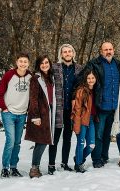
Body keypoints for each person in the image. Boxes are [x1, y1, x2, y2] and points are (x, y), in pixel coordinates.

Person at [84, 42, 120, 168]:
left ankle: (104, 156)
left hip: (113, 107)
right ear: (101, 51)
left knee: (107, 134)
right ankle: (96, 159)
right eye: (105, 49)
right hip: (100, 106)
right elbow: (83, 79)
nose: (108, 51)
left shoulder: (118, 64)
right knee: (98, 135)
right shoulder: (94, 64)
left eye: (110, 49)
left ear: (114, 50)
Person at [48, 44, 84, 174]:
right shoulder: (54, 68)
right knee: (55, 137)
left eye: (70, 51)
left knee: (68, 137)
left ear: (73, 53)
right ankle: (51, 165)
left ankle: (64, 163)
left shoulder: (80, 68)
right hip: (58, 108)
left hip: (72, 108)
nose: (67, 54)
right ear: (61, 54)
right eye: (65, 52)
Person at [0, 52, 32, 178]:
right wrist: (4, 108)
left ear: (28, 63)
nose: (23, 64)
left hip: (22, 114)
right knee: (10, 141)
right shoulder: (9, 75)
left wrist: (29, 109)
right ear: (17, 62)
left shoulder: (30, 76)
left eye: (25, 62)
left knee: (17, 142)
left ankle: (13, 167)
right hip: (9, 113)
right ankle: (5, 168)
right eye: (21, 61)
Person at [25, 55, 56, 178]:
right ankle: (34, 168)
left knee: (42, 141)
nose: (44, 65)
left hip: (49, 112)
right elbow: (33, 99)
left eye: (46, 62)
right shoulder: (35, 79)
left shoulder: (50, 77)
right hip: (40, 114)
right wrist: (36, 116)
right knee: (42, 141)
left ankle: (35, 167)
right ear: (38, 65)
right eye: (42, 63)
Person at [71, 69, 97, 173]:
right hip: (81, 119)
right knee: (80, 143)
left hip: (91, 120)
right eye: (88, 78)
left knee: (91, 145)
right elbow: (77, 109)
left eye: (92, 78)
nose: (91, 80)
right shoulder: (81, 90)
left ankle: (78, 158)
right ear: (85, 79)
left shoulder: (95, 90)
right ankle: (78, 165)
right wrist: (77, 124)